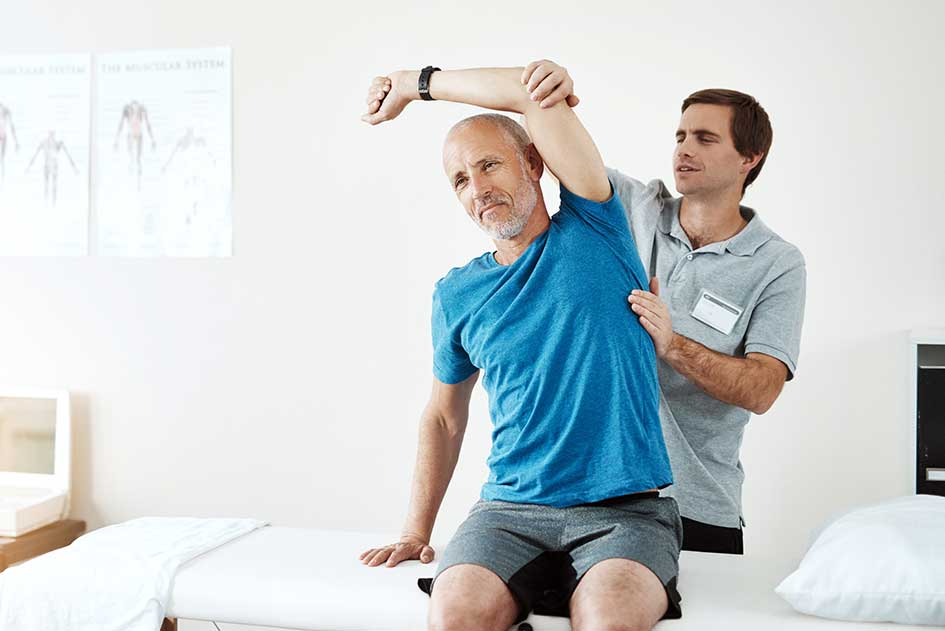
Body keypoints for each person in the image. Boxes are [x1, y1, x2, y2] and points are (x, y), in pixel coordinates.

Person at [356, 66, 683, 631]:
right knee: (454, 618)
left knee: (609, 620)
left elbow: (530, 96)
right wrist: (415, 530)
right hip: (508, 511)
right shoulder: (457, 294)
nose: (477, 188)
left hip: (624, 512)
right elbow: (443, 416)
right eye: (460, 180)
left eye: (489, 165)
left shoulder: (597, 228)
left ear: (534, 163)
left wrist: (415, 84)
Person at [518, 60, 807, 554]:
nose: (684, 149)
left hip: (697, 508)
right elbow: (549, 134)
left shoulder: (777, 263)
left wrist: (672, 345)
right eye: (680, 136)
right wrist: (548, 92)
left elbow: (762, 389)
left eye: (705, 139)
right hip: (588, 493)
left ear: (750, 158)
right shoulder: (632, 207)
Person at [0, 103, 19, 182]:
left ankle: (2, 179)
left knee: (2, 159)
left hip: (3, 136)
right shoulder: (6, 110)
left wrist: (16, 141)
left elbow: (12, 126)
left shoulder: (6, 110)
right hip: (3, 136)